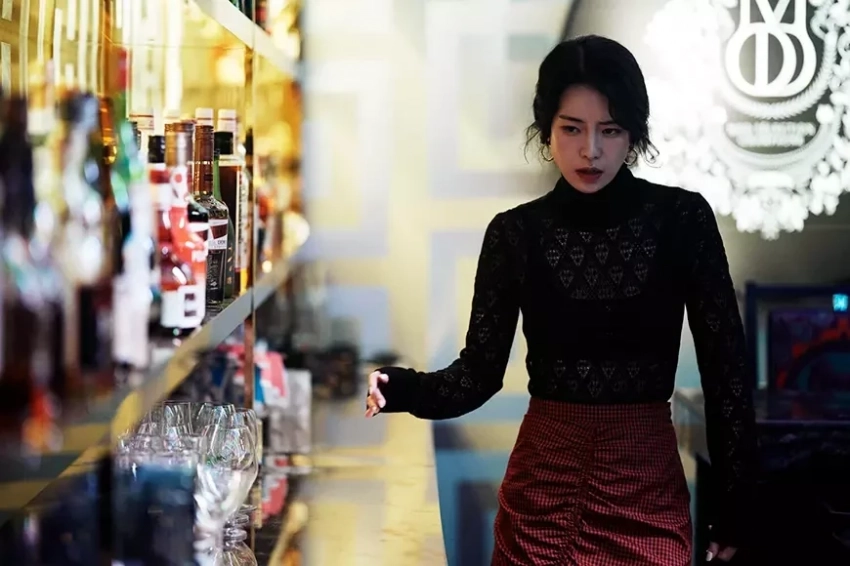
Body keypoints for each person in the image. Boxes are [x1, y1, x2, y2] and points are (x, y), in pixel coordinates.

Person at [365, 35, 757, 565]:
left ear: (633, 134)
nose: (590, 150)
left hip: (644, 488)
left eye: (610, 130)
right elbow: (480, 373)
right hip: (541, 497)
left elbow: (726, 371)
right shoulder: (515, 233)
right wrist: (401, 387)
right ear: (546, 129)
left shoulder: (683, 220)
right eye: (572, 128)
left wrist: (734, 507)